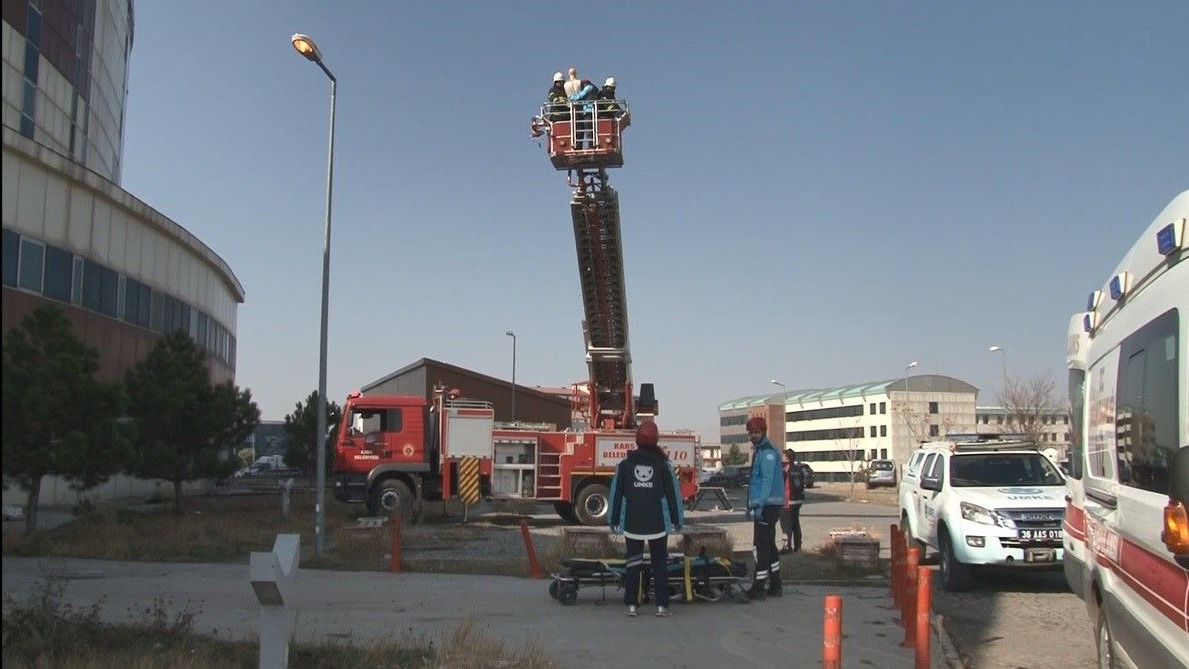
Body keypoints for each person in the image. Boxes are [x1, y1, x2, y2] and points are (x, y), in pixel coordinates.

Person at [609, 420, 684, 617]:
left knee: (633, 562)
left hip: (632, 522)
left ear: (637, 439)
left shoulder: (625, 465)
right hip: (657, 522)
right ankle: (662, 606)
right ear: (657, 439)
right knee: (660, 564)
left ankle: (632, 605)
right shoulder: (664, 465)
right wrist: (677, 520)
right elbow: (673, 495)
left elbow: (616, 493)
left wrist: (614, 518)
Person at [745, 416, 784, 599]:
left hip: (767, 506)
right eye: (751, 432)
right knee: (769, 545)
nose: (753, 435)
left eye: (756, 432)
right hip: (767, 505)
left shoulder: (767, 452)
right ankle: (775, 584)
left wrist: (759, 503)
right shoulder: (761, 450)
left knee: (761, 546)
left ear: (763, 431)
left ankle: (759, 587)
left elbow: (766, 480)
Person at [781, 449, 805, 553]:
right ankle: (798, 546)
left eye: (784, 456)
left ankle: (786, 546)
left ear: (787, 458)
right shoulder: (799, 470)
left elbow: (779, 483)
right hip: (798, 501)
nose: (782, 457)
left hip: (787, 501)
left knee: (786, 525)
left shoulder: (785, 469)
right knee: (796, 524)